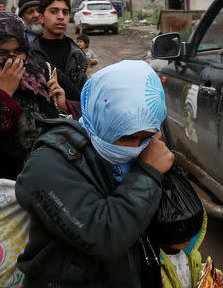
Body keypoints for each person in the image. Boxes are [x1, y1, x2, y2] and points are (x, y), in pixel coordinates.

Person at [15, 60, 174, 287]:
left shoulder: (146, 152)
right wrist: (148, 174)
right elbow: (104, 236)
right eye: (128, 138)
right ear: (103, 119)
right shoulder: (47, 164)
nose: (136, 147)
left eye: (146, 137)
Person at [0, 11, 80, 224]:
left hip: (51, 185)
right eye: (3, 52)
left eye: (18, 51)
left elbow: (84, 107)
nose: (12, 59)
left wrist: (63, 103)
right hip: (3, 195)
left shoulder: (43, 74)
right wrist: (3, 95)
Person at [30, 0, 88, 91]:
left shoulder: (77, 56)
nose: (61, 16)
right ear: (41, 18)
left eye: (65, 12)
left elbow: (81, 98)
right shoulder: (29, 52)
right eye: (54, 11)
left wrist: (66, 105)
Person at [158, 209, 223, 288]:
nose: (189, 236)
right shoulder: (154, 265)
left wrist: (213, 276)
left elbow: (196, 272)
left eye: (191, 229)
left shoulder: (188, 253)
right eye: (181, 231)